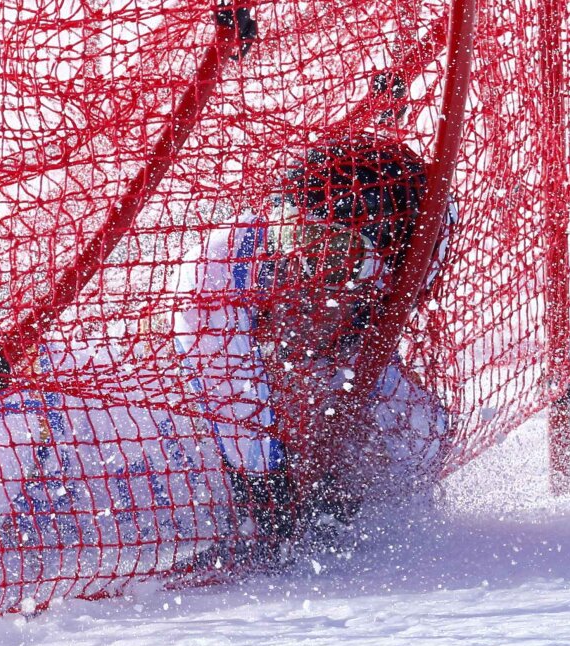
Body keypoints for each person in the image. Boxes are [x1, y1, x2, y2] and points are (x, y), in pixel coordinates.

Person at [174, 132, 455, 563]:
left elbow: (422, 446)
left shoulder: (371, 324)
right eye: (296, 237)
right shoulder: (225, 266)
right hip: (187, 416)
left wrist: (341, 489)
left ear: (387, 276)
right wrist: (272, 491)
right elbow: (233, 408)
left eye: (338, 256)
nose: (304, 273)